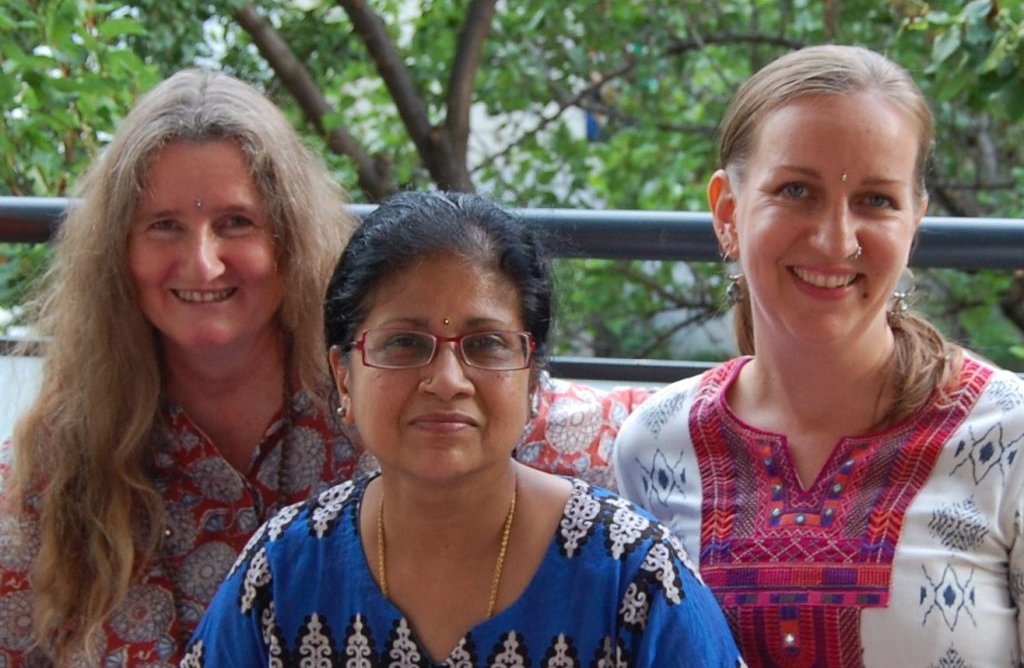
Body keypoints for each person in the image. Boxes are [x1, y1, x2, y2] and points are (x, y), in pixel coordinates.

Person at [0, 70, 649, 666]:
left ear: (290, 237)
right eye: (164, 225)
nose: (203, 262)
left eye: (236, 223)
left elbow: (595, 424)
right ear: (119, 253)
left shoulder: (395, 389)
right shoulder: (51, 474)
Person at [183, 190, 742, 667]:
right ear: (344, 378)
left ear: (531, 380)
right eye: (404, 343)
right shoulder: (285, 572)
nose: (447, 380)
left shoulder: (629, 574)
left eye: (485, 344)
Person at [614, 43, 1024, 667]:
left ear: (914, 222)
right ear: (728, 212)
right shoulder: (653, 447)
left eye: (876, 200)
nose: (836, 238)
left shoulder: (1007, 437)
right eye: (797, 190)